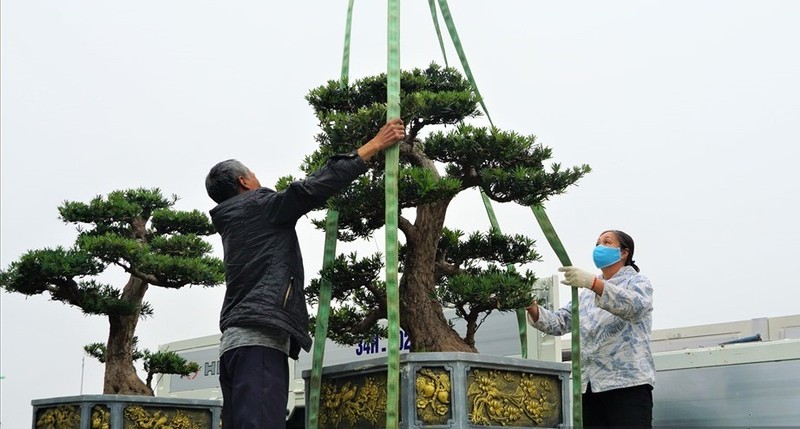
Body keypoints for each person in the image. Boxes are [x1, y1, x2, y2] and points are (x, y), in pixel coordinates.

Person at [205, 118, 405, 429]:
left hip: (235, 344)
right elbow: (308, 189)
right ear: (244, 181)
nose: (259, 180)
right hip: (259, 341)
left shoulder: (232, 222)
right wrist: (374, 145)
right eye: (255, 175)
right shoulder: (259, 206)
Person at [527, 229, 654, 428]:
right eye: (597, 243)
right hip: (590, 386)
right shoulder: (586, 294)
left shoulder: (637, 282)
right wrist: (532, 307)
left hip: (628, 385)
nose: (599, 247)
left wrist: (593, 283)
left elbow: (634, 306)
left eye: (606, 242)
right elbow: (560, 321)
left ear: (624, 252)